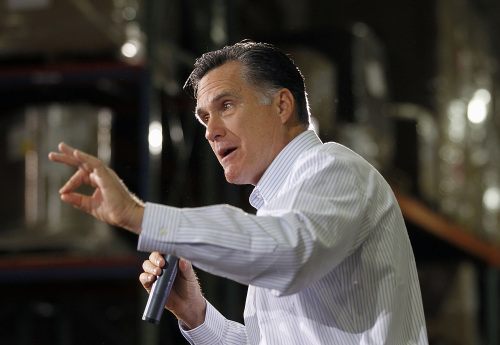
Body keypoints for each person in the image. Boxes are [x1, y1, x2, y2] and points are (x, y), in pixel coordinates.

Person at [49, 40, 428, 344]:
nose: (211, 131)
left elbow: (290, 253)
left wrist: (138, 215)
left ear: (282, 105)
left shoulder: (336, 169)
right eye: (203, 118)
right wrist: (197, 316)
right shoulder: (279, 206)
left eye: (225, 106)